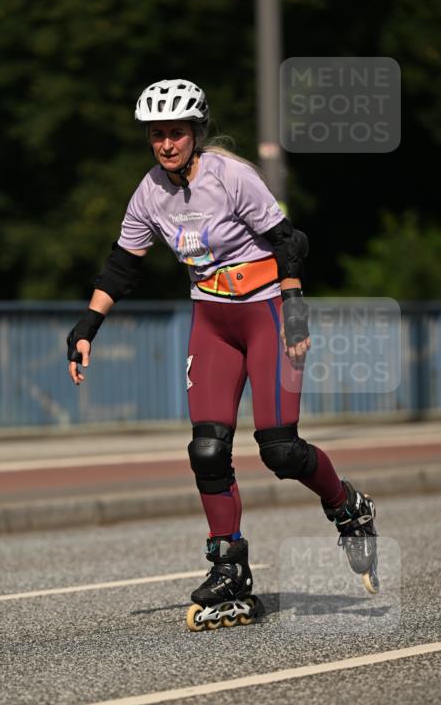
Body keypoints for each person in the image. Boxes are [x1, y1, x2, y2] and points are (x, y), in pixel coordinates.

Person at [67, 79, 378, 631]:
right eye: (157, 135)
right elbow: (122, 264)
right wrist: (87, 326)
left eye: (177, 134)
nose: (166, 144)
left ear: (196, 133)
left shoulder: (230, 176)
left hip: (268, 314)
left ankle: (348, 506)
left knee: (280, 451)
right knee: (208, 449)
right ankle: (229, 565)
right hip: (211, 320)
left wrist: (296, 313)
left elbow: (290, 242)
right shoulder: (148, 193)